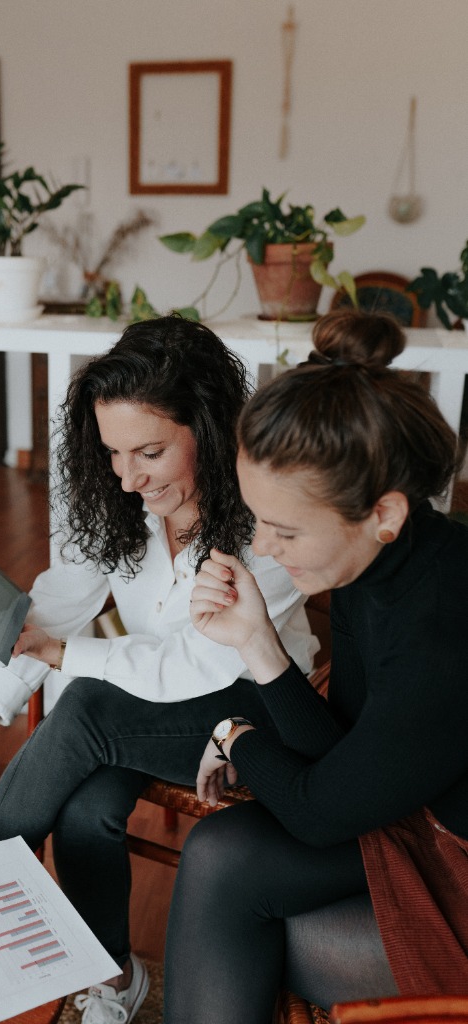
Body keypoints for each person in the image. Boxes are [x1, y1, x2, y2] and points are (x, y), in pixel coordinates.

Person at [0, 315, 318, 1024]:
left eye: (149, 451)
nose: (127, 477)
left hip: (251, 712)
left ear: (207, 431)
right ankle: (115, 979)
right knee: (88, 810)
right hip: (142, 711)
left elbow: (192, 662)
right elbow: (51, 616)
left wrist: (70, 658)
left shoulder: (266, 521)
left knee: (85, 700)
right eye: (114, 453)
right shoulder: (128, 505)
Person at [164, 308, 468, 1024]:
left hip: (453, 862)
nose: (263, 548)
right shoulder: (382, 562)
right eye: (257, 519)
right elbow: (340, 755)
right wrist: (256, 642)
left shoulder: (441, 628)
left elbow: (316, 814)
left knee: (257, 916)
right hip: (415, 818)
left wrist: (239, 737)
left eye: (285, 528)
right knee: (223, 859)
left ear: (384, 511)